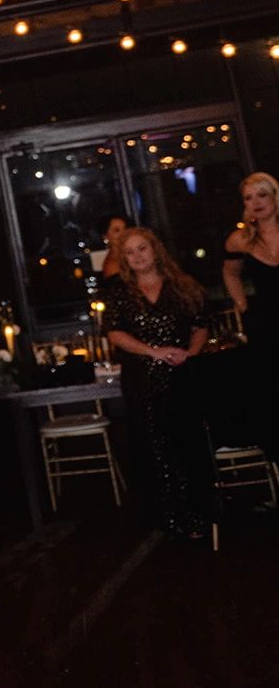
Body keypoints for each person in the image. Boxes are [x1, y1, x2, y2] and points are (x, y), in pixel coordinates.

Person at [106, 227, 212, 539]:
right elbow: (114, 334)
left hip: (182, 375)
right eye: (131, 252)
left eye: (143, 249)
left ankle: (196, 511)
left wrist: (190, 353)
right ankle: (165, 515)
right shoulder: (120, 293)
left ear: (156, 251)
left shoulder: (183, 286)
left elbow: (201, 325)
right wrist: (153, 352)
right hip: (142, 378)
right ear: (125, 259)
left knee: (187, 442)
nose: (138, 256)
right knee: (152, 445)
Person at [222, 172, 279, 357]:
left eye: (261, 195)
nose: (256, 202)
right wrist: (242, 305)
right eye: (248, 197)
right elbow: (230, 274)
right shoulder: (240, 239)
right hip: (267, 322)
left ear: (274, 196)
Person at [97, 213, 129, 279]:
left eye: (125, 228)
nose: (124, 233)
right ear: (105, 237)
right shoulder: (112, 266)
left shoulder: (126, 255)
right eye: (117, 230)